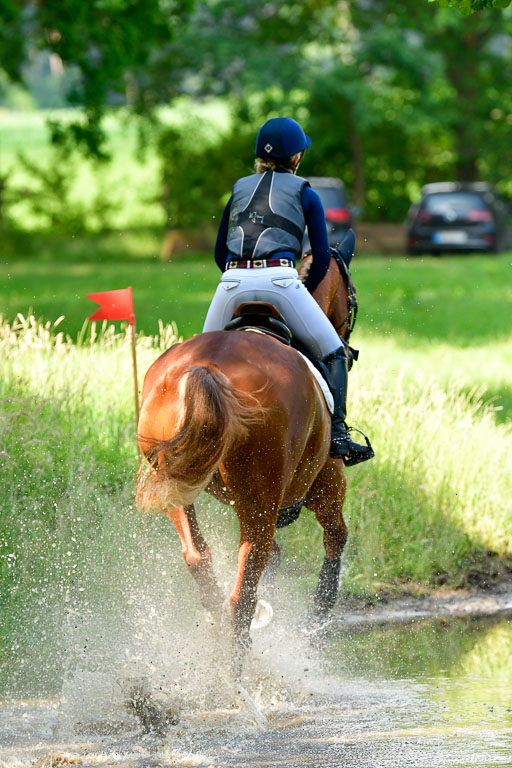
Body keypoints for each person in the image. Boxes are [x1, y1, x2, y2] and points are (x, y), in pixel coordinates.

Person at [203, 116, 373, 465]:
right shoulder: (305, 193)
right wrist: (302, 290)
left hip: (232, 283)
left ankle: (201, 434)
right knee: (334, 352)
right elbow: (323, 258)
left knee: (200, 361)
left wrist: (239, 276)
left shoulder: (237, 189)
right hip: (281, 282)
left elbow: (220, 253)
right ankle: (339, 434)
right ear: (296, 158)